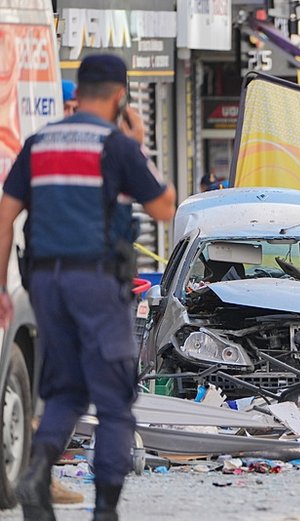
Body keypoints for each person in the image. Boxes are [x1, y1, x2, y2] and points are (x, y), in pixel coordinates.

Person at [0, 54, 176, 520]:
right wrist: (139, 145)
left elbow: (4, 219)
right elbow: (164, 207)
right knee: (115, 399)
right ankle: (105, 510)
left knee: (65, 392)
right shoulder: (117, 146)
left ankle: (36, 473)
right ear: (120, 96)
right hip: (96, 284)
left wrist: (1, 289)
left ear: (78, 93)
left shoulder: (39, 143)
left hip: (44, 284)